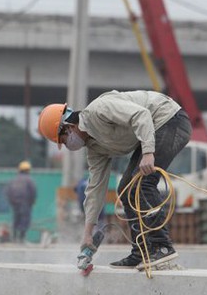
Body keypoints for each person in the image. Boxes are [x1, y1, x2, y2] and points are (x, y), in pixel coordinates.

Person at [37, 90, 191, 269]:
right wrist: (88, 233)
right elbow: (95, 188)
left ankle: (162, 246)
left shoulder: (100, 109)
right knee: (125, 190)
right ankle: (141, 252)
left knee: (142, 184)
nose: (66, 145)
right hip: (152, 130)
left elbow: (141, 115)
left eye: (63, 140)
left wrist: (148, 152)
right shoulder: (95, 149)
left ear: (67, 126)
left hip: (169, 120)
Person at [6, 160, 37, 243]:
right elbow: (33, 192)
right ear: (28, 170)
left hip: (15, 203)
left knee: (16, 219)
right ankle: (21, 238)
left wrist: (11, 202)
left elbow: (8, 192)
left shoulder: (14, 179)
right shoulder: (29, 180)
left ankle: (14, 237)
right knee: (25, 219)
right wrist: (32, 202)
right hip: (25, 203)